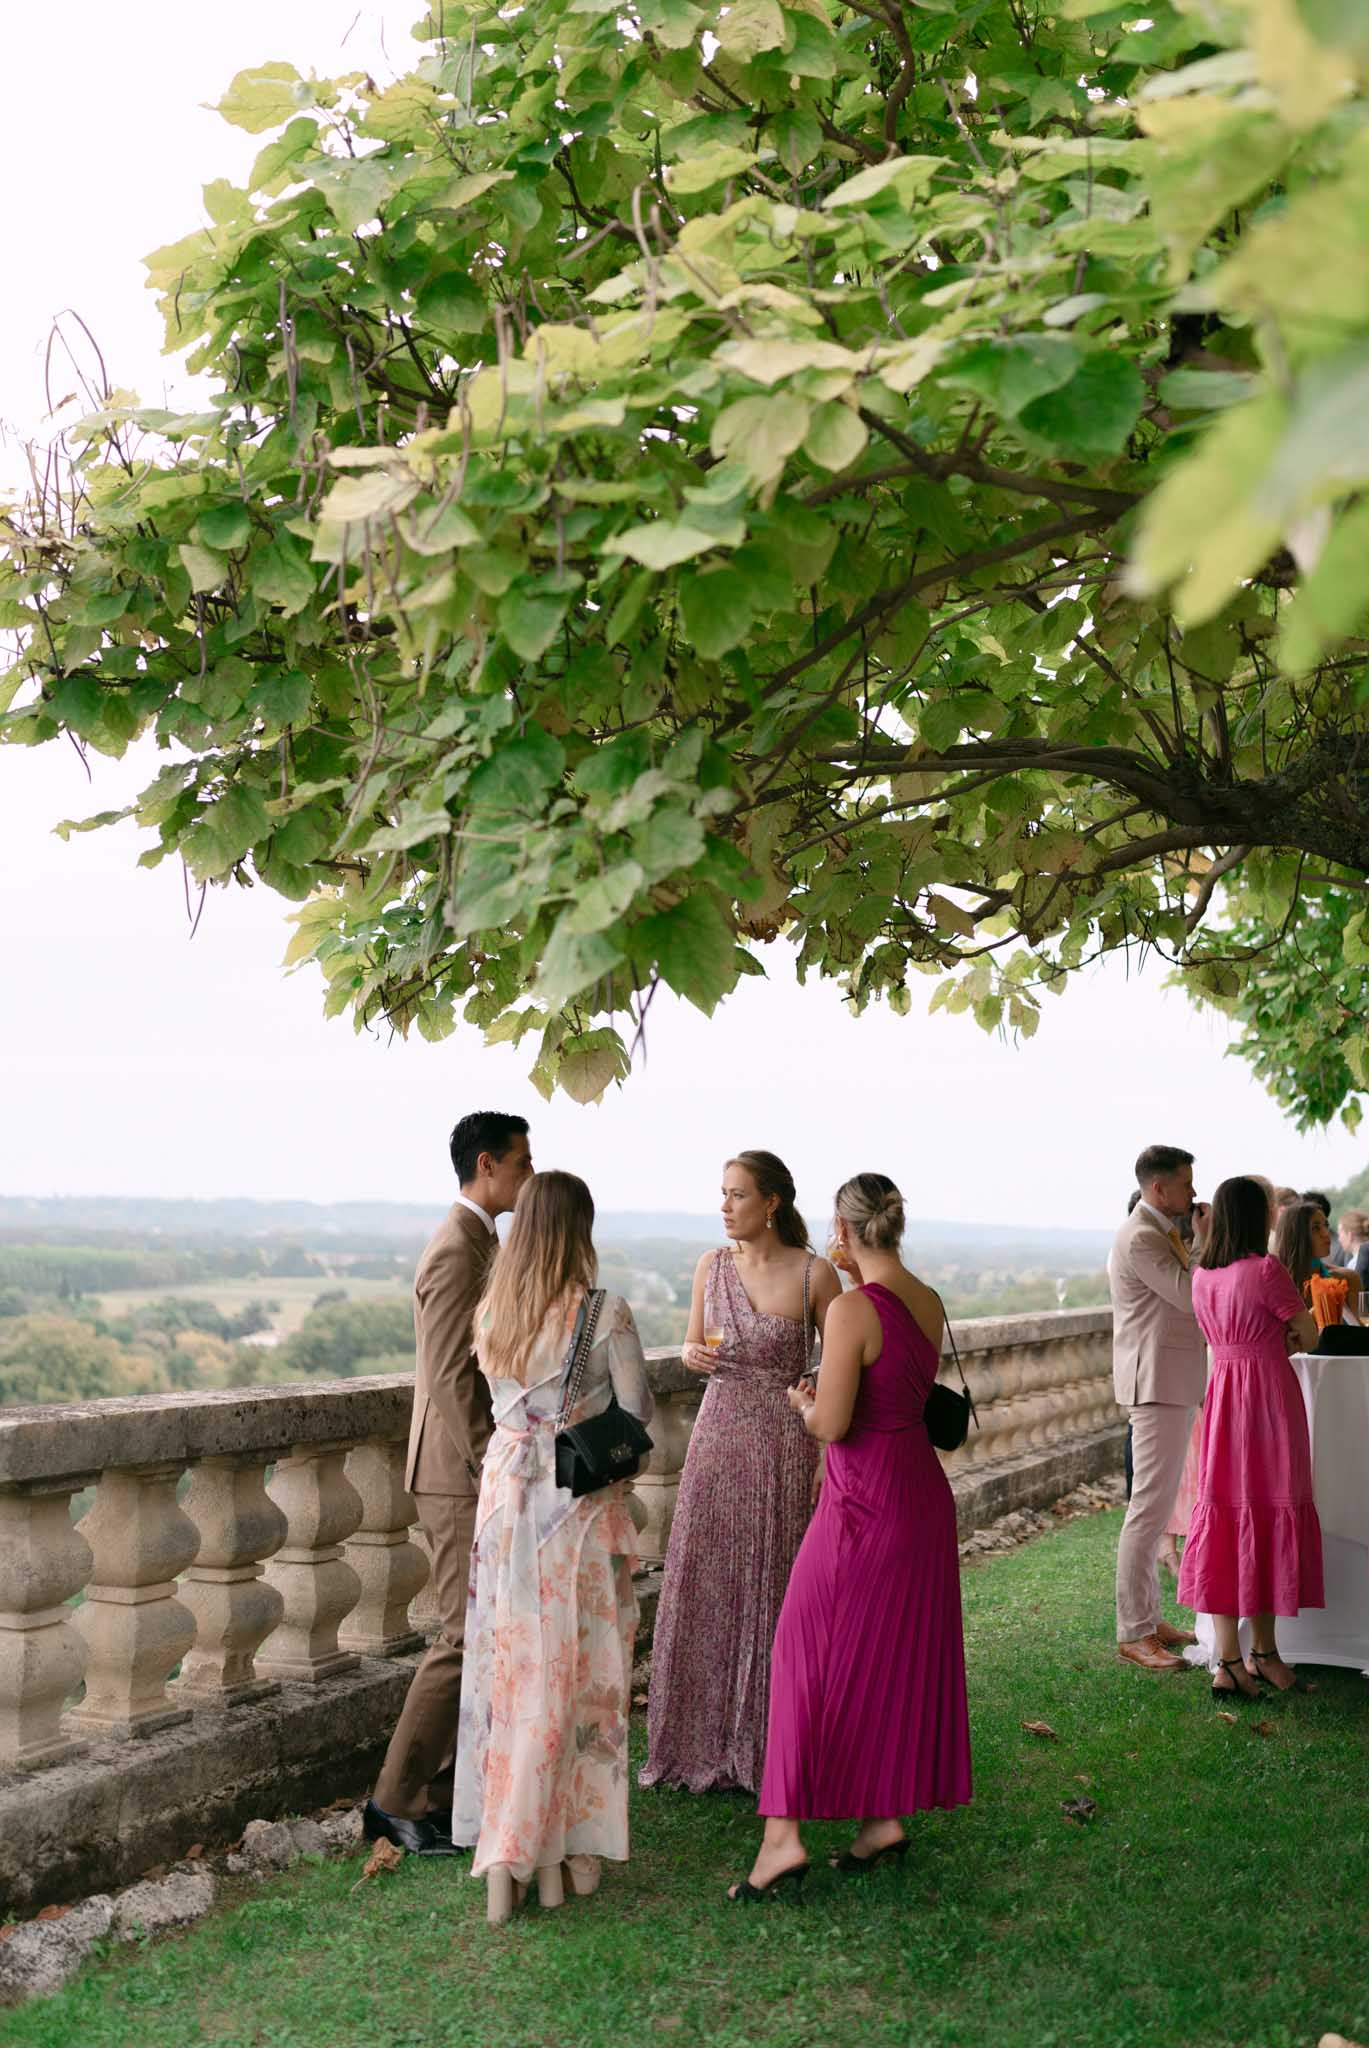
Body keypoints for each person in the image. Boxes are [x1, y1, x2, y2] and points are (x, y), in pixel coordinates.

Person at [727, 1173, 971, 1900]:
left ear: (842, 1225)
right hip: (920, 1498)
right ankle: (880, 1820)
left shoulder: (854, 1309)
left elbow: (833, 1425)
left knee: (802, 1653)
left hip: (861, 1503)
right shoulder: (927, 1300)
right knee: (887, 1660)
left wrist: (803, 1404)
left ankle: (780, 1841)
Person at [452, 1170, 652, 1922]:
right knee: (584, 1671)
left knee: (511, 1671)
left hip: (505, 1502)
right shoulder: (604, 1312)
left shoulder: (492, 1310)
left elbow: (497, 1408)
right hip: (574, 1510)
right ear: (581, 1230)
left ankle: (514, 1842)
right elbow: (636, 1423)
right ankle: (569, 1843)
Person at [641, 1151, 840, 1795]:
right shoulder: (711, 1266)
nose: (725, 1206)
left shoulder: (817, 1275)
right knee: (709, 1575)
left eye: (737, 1195)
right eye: (722, 1194)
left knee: (775, 1580)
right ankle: (696, 1740)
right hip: (718, 1433)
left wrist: (811, 1384)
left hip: (785, 1441)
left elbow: (839, 1369)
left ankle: (768, 1739)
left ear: (771, 1202)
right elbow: (694, 1344)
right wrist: (691, 1353)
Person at [365, 1111, 532, 1857]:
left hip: (468, 1470)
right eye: (523, 1161)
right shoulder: (454, 1249)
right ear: (488, 1165)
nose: (530, 1173)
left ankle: (437, 1797)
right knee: (460, 1635)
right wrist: (488, 1457)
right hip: (455, 1474)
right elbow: (444, 1374)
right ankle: (392, 1801)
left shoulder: (481, 1240)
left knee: (481, 1631)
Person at [1178, 1177, 1321, 1698]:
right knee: (1266, 1510)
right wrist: (1280, 1335)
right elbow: (1309, 1334)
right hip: (1268, 1404)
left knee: (1229, 1516)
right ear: (1256, 1217)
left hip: (1223, 1403)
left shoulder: (1202, 1276)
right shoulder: (1267, 1270)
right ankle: (1261, 1653)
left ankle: (1235, 1660)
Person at [1109, 1144, 1210, 1672]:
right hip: (1154, 1384)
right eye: (1186, 1184)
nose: (1194, 1193)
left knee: (1156, 1508)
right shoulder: (1142, 1236)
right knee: (1146, 1510)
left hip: (1170, 1381)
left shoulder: (1159, 1230)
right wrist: (1206, 1245)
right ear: (1158, 1189)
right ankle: (1132, 1632)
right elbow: (1192, 1297)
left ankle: (1149, 1620)